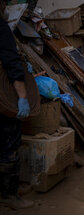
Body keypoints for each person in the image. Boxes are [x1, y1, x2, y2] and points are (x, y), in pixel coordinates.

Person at [0, 4, 34, 208]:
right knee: (9, 141)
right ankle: (9, 194)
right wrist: (22, 96)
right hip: (3, 95)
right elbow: (11, 62)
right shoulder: (1, 28)